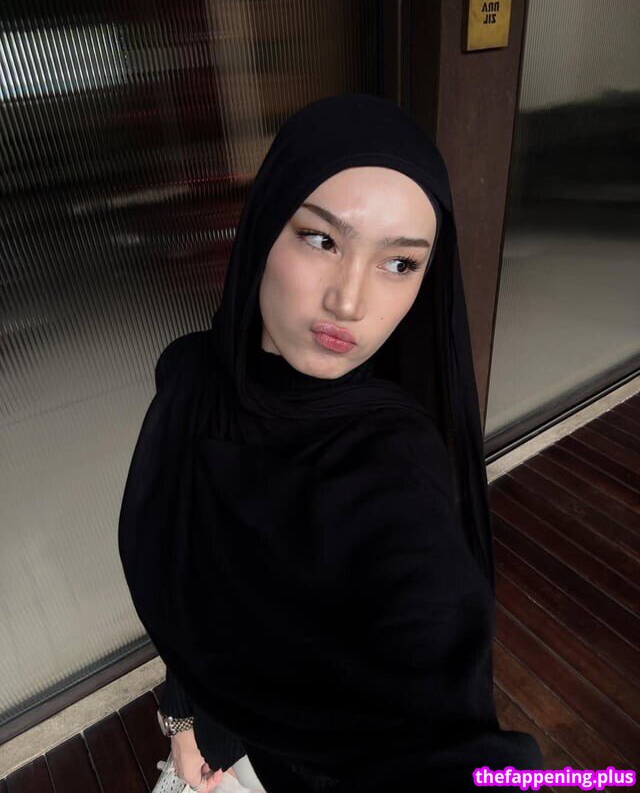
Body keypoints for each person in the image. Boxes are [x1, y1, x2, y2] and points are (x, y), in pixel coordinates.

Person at [119, 93, 543, 792]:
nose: (349, 301)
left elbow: (440, 714)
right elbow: (193, 577)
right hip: (210, 744)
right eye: (321, 240)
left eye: (399, 264)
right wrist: (184, 723)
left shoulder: (393, 465)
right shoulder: (188, 379)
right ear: (262, 228)